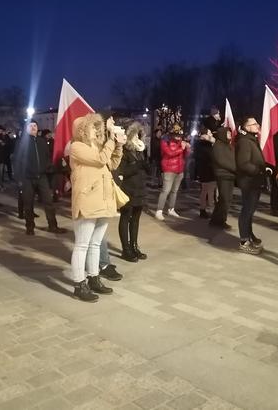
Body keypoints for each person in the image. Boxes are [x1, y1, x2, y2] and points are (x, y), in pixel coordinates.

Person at [69, 113, 125, 302]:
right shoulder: (76, 147)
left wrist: (118, 145)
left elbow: (112, 163)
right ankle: (79, 283)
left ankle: (94, 277)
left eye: (97, 127)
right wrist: (110, 140)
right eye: (93, 127)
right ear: (82, 129)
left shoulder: (99, 146)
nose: (97, 130)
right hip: (87, 201)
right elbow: (100, 159)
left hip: (103, 200)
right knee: (82, 244)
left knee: (95, 243)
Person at [18, 121, 66, 235]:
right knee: (28, 203)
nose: (33, 127)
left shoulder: (42, 141)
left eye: (35, 125)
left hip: (42, 177)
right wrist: (19, 179)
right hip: (27, 178)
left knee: (48, 202)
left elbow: (47, 157)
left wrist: (49, 169)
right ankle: (29, 227)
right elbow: (18, 161)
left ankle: (53, 226)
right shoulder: (22, 143)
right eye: (31, 126)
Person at [116, 122, 150, 262]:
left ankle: (134, 246)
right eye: (135, 134)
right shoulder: (124, 151)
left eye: (139, 134)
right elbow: (122, 171)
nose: (137, 137)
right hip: (128, 189)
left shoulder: (140, 151)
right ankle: (126, 250)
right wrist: (137, 166)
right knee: (125, 218)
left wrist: (146, 162)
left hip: (140, 189)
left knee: (135, 220)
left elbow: (146, 170)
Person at [235, 116, 265, 254]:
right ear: (246, 127)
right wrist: (258, 170)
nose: (257, 125)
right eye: (254, 124)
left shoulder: (251, 140)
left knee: (250, 211)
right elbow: (243, 163)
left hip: (254, 181)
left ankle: (249, 236)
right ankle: (244, 241)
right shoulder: (245, 142)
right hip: (248, 182)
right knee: (247, 211)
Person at [155, 125, 190, 221]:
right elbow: (169, 153)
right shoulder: (165, 141)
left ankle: (171, 209)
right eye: (177, 135)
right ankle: (159, 211)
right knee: (165, 191)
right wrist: (181, 148)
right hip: (169, 169)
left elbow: (185, 155)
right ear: (172, 134)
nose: (179, 137)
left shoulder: (180, 142)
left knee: (174, 191)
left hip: (179, 169)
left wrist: (187, 148)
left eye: (180, 135)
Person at [209, 126, 236, 230]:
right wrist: (235, 168)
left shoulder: (228, 145)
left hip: (230, 175)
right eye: (228, 133)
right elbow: (222, 161)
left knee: (225, 199)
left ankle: (216, 220)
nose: (230, 135)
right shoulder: (218, 146)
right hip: (223, 175)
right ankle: (220, 220)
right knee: (225, 199)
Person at [194, 127, 216, 218]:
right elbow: (211, 156)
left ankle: (203, 209)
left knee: (205, 191)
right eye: (209, 133)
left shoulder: (199, 144)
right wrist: (213, 142)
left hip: (204, 170)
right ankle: (210, 209)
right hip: (208, 170)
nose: (211, 135)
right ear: (205, 135)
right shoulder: (205, 145)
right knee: (209, 191)